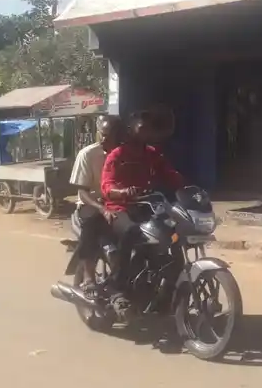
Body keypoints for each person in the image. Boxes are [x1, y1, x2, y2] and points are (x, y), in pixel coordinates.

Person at [100, 111, 185, 307]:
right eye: (142, 128)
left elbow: (168, 173)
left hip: (147, 206)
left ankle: (165, 287)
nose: (147, 132)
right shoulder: (117, 155)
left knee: (173, 232)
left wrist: (185, 184)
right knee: (130, 231)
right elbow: (106, 186)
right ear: (131, 130)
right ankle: (117, 286)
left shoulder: (152, 153)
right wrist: (122, 192)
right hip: (120, 208)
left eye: (149, 129)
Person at [68, 115, 124, 296]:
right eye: (103, 134)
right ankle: (89, 277)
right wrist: (102, 208)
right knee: (91, 222)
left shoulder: (126, 154)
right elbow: (82, 193)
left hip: (118, 203)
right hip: (92, 203)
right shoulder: (87, 154)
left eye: (110, 135)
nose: (105, 139)